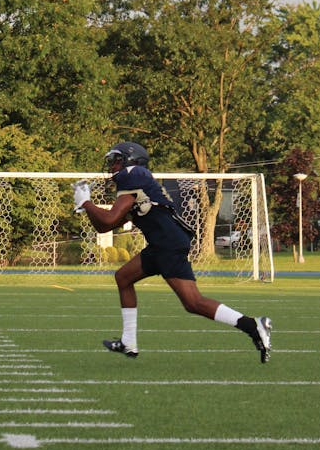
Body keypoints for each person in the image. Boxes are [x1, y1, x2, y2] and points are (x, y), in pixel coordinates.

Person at [73, 141, 272, 362]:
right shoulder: (136, 183)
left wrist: (88, 203)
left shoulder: (134, 174)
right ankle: (128, 341)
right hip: (162, 244)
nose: (111, 166)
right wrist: (86, 206)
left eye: (116, 160)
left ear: (130, 161)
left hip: (167, 243)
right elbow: (105, 226)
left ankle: (253, 325)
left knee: (193, 302)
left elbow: (108, 218)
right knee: (123, 277)